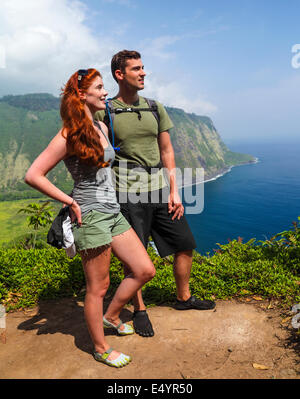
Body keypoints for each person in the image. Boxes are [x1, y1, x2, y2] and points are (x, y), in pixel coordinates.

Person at [24, 68, 156, 367]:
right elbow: (33, 174)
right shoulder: (68, 134)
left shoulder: (100, 126)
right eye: (99, 87)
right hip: (91, 215)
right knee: (98, 287)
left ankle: (110, 316)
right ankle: (100, 347)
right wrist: (69, 201)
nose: (105, 92)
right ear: (82, 94)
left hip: (112, 212)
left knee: (144, 269)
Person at [95, 50, 216, 338]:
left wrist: (175, 191)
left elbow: (167, 151)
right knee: (133, 259)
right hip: (127, 194)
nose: (144, 73)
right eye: (136, 68)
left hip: (160, 191)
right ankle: (139, 309)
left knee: (185, 243)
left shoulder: (154, 107)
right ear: (119, 74)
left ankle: (183, 298)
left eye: (143, 68)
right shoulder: (105, 111)